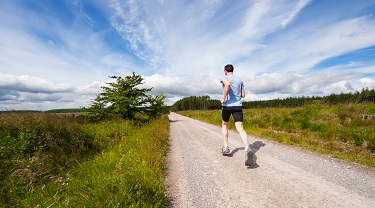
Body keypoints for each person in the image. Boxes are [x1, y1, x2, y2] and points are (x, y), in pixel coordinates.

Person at [220, 64, 253, 166]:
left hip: (227, 106)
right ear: (232, 70)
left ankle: (226, 147)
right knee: (240, 128)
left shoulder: (224, 78)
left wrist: (223, 98)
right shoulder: (240, 80)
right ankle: (247, 148)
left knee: (225, 124)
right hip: (238, 106)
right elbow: (243, 95)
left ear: (225, 71)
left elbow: (227, 85)